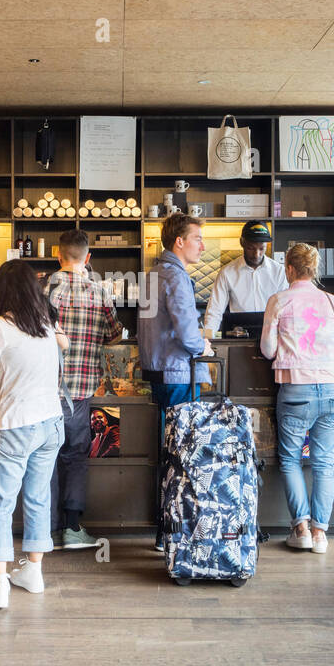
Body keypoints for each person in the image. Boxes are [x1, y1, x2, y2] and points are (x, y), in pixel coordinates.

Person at [0, 260, 69, 610]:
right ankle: (33, 574)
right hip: (51, 424)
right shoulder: (46, 323)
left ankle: (0, 586)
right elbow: (63, 348)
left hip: (15, 424)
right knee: (38, 498)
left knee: (0, 503)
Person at [260, 243, 334, 554]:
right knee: (324, 462)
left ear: (288, 269)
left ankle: (299, 528)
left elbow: (268, 350)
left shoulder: (279, 300)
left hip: (296, 390)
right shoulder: (333, 301)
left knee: (290, 459)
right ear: (315, 270)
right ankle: (320, 535)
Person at [43, 229, 122, 549]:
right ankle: (72, 529)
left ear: (57, 256)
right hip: (80, 390)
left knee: (44, 457)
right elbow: (114, 336)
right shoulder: (99, 291)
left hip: (44, 390)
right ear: (88, 258)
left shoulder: (43, 289)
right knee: (75, 456)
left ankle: (44, 531)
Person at [138, 211, 213, 549]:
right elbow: (187, 333)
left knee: (169, 451)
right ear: (179, 242)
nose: (202, 245)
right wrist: (203, 344)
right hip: (179, 372)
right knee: (182, 453)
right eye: (197, 238)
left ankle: (164, 529)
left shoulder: (151, 275)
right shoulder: (177, 277)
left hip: (158, 372)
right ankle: (173, 532)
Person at [202, 220, 287, 336]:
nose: (256, 254)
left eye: (262, 249)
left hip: (272, 337)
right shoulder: (227, 273)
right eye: (251, 248)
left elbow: (285, 310)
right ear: (242, 242)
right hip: (239, 338)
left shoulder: (279, 271)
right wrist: (208, 339)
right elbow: (215, 311)